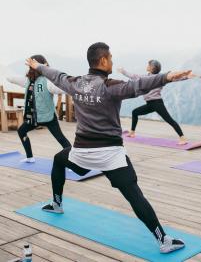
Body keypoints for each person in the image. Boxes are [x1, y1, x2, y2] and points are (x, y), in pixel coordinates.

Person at [26, 43, 192, 253]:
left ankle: (56, 204)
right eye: (110, 57)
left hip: (82, 154)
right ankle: (163, 240)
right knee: (134, 195)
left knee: (59, 160)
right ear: (103, 60)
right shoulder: (111, 86)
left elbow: (56, 75)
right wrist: (167, 77)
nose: (112, 61)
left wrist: (38, 66)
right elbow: (138, 85)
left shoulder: (74, 83)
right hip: (111, 156)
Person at [7, 55, 71, 162]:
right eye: (31, 65)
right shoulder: (28, 81)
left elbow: (64, 88)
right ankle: (30, 157)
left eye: (33, 65)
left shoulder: (48, 82)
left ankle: (73, 161)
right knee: (21, 131)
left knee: (61, 139)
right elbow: (10, 78)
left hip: (48, 117)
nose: (31, 67)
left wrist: (46, 69)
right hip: (33, 117)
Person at [118, 61, 187, 145]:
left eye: (149, 65)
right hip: (150, 104)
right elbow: (134, 76)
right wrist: (123, 71)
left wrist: (187, 76)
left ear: (152, 68)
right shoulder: (146, 77)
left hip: (157, 103)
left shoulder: (160, 78)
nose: (147, 66)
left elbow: (174, 78)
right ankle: (132, 133)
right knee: (135, 112)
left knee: (169, 120)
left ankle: (182, 138)